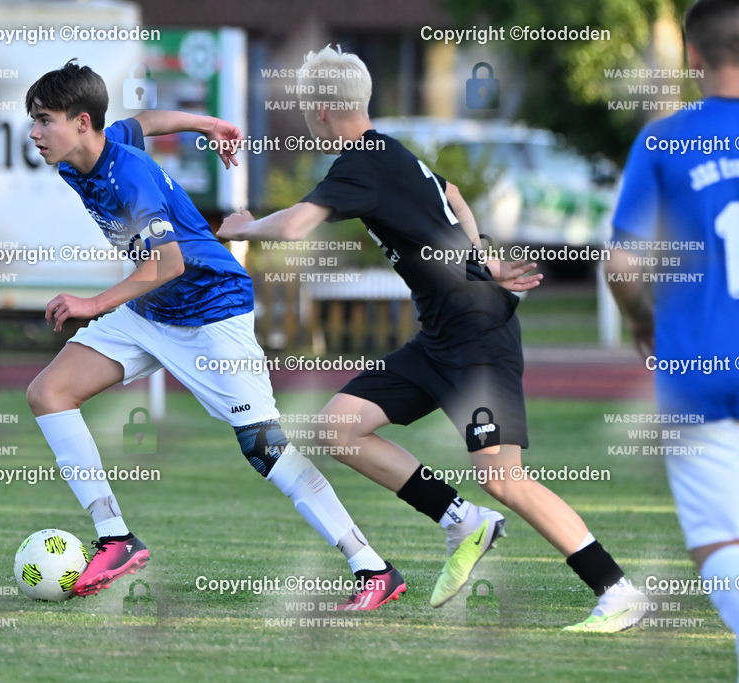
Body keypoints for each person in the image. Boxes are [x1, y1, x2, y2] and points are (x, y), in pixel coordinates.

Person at [219, 45, 647, 631]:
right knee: (338, 426)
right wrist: (482, 260)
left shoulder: (360, 162)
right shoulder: (387, 150)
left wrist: (244, 226)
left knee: (503, 478)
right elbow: (455, 200)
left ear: (321, 109)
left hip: (477, 338)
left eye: (304, 108)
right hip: (441, 338)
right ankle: (459, 521)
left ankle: (617, 590)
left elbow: (293, 225)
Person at [24, 59, 403, 609]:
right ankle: (116, 538)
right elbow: (146, 120)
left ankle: (373, 569)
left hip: (211, 312)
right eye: (32, 120)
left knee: (265, 449)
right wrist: (206, 124)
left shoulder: (128, 173)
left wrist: (92, 304)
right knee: (48, 393)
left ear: (82, 122)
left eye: (43, 120)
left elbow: (169, 264)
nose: (34, 133)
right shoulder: (86, 151)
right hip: (152, 313)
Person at [607, 0, 739, 659]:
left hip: (697, 372)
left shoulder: (664, 142)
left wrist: (641, 320)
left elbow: (622, 263)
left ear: (693, 58)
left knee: (721, 542)